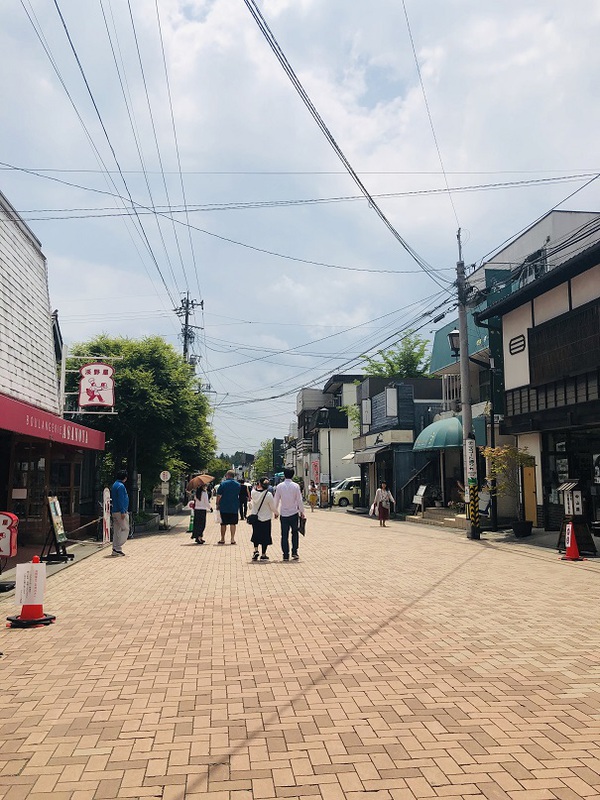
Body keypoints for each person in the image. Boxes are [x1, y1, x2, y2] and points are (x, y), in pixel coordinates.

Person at [274, 467, 305, 561]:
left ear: (284, 475)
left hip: (284, 513)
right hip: (294, 513)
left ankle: (285, 554)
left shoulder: (279, 486)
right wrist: (302, 512)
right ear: (293, 475)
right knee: (295, 533)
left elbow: (276, 499)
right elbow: (299, 500)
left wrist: (275, 511)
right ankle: (294, 552)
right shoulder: (296, 486)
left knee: (284, 535)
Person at [249, 477, 277, 561]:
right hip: (266, 518)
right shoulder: (268, 495)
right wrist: (276, 513)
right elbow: (272, 507)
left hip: (255, 517)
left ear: (259, 484)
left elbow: (251, 500)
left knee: (256, 534)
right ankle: (263, 554)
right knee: (265, 536)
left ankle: (256, 550)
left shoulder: (253, 493)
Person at [216, 470, 241, 544]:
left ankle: (222, 539)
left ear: (228, 475)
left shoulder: (223, 484)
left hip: (224, 506)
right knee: (233, 523)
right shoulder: (238, 484)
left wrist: (217, 504)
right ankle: (232, 539)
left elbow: (219, 495)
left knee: (223, 523)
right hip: (234, 506)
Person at [110, 469, 129, 556]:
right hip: (120, 511)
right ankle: (118, 546)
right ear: (125, 478)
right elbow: (121, 499)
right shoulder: (121, 486)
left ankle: (115, 548)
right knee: (125, 529)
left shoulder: (114, 485)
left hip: (114, 510)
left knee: (117, 530)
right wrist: (123, 511)